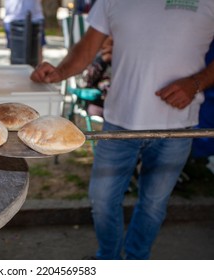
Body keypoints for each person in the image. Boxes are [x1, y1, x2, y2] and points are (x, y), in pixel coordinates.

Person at [31, 0, 214, 260]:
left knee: (153, 205)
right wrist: (58, 72)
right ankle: (109, 260)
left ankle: (136, 261)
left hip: (178, 128)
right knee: (102, 200)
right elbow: (87, 47)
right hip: (119, 122)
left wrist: (196, 82)